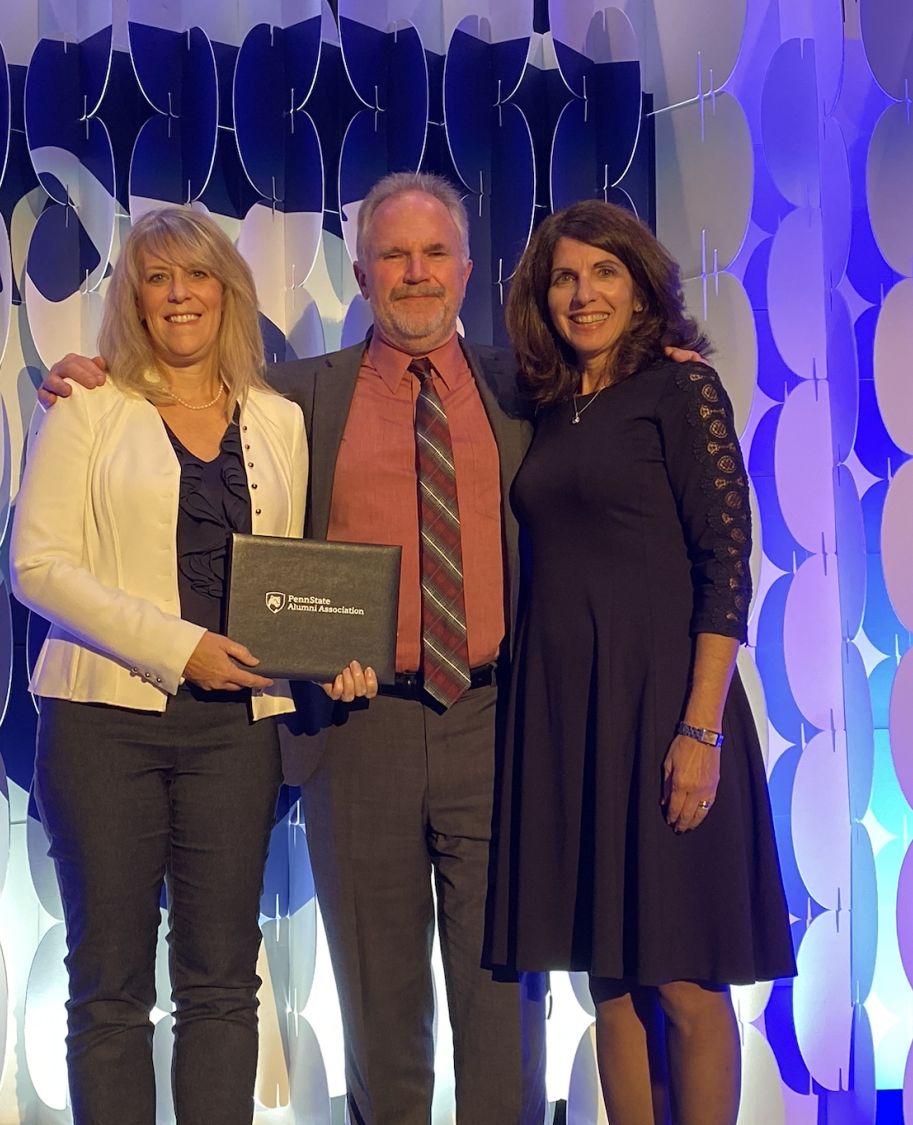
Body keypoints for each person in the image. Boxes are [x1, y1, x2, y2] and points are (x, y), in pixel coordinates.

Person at [39, 177, 699, 1124]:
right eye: (394, 255)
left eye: (435, 254)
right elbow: (177, 399)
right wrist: (75, 374)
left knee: (503, 1001)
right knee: (380, 1015)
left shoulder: (530, 388)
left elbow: (624, 401)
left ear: (467, 271)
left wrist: (664, 357)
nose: (416, 273)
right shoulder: (298, 397)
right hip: (357, 734)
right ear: (359, 271)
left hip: (498, 723)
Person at [10, 206, 375, 1125]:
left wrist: (331, 655)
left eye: (197, 276)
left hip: (238, 730)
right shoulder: (88, 406)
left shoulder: (280, 419)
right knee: (109, 983)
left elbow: (293, 575)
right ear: (134, 298)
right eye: (157, 278)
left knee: (222, 977)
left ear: (228, 291)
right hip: (103, 723)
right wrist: (182, 648)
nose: (179, 295)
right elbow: (38, 566)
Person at [483, 199, 795, 1125]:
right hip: (569, 716)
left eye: (604, 273)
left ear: (641, 283)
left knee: (688, 982)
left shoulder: (682, 389)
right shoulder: (542, 402)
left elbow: (725, 566)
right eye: (565, 278)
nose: (583, 294)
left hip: (668, 708)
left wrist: (700, 727)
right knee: (610, 981)